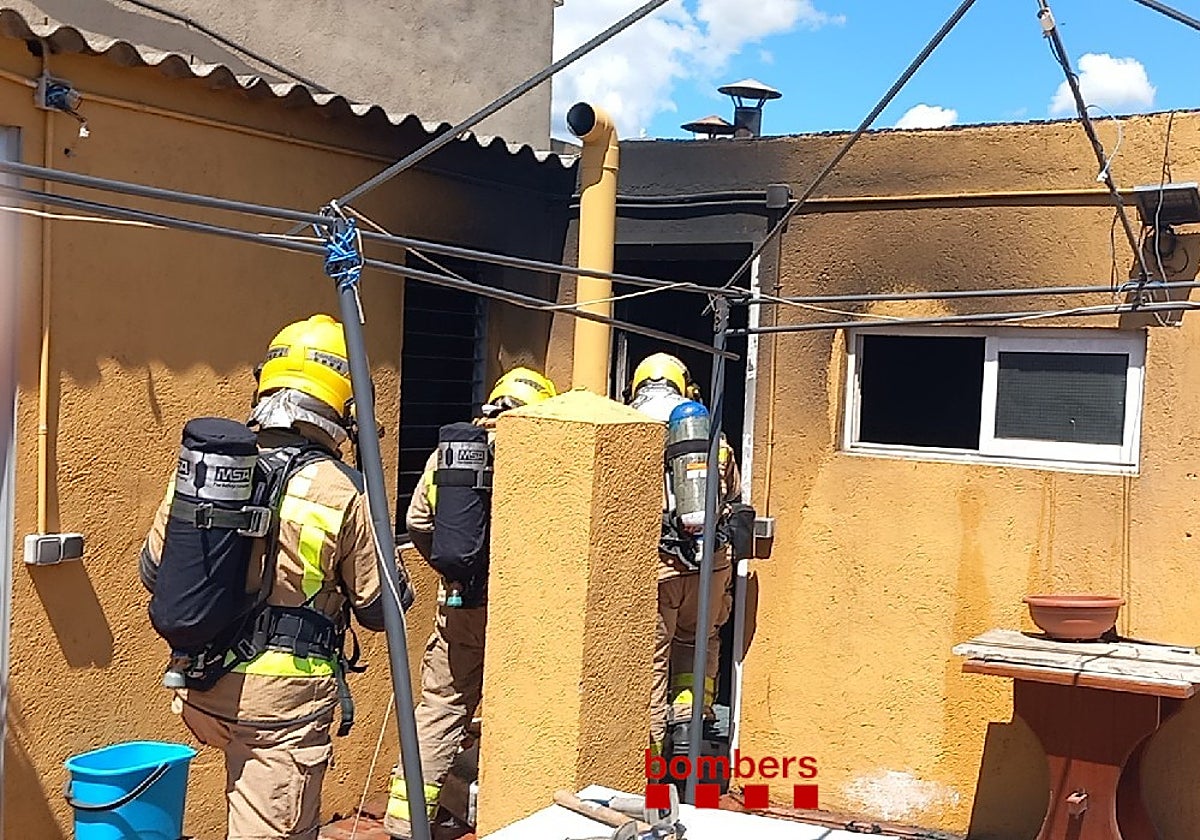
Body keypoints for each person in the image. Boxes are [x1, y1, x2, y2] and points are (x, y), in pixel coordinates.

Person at [140, 314, 407, 840]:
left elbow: (153, 570)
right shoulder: (341, 491)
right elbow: (380, 610)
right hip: (281, 708)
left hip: (201, 684)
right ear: (342, 404)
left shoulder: (209, 472)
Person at [385, 367, 558, 839]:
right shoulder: (539, 452)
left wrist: (454, 567)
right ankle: (513, 813)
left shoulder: (454, 452)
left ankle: (406, 815)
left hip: (458, 603)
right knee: (522, 703)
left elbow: (418, 519)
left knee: (442, 704)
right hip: (515, 608)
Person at [626, 352, 741, 759]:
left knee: (653, 662)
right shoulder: (708, 437)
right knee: (699, 644)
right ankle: (690, 746)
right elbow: (731, 496)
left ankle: (650, 769)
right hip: (710, 567)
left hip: (660, 569)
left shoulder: (630, 430)